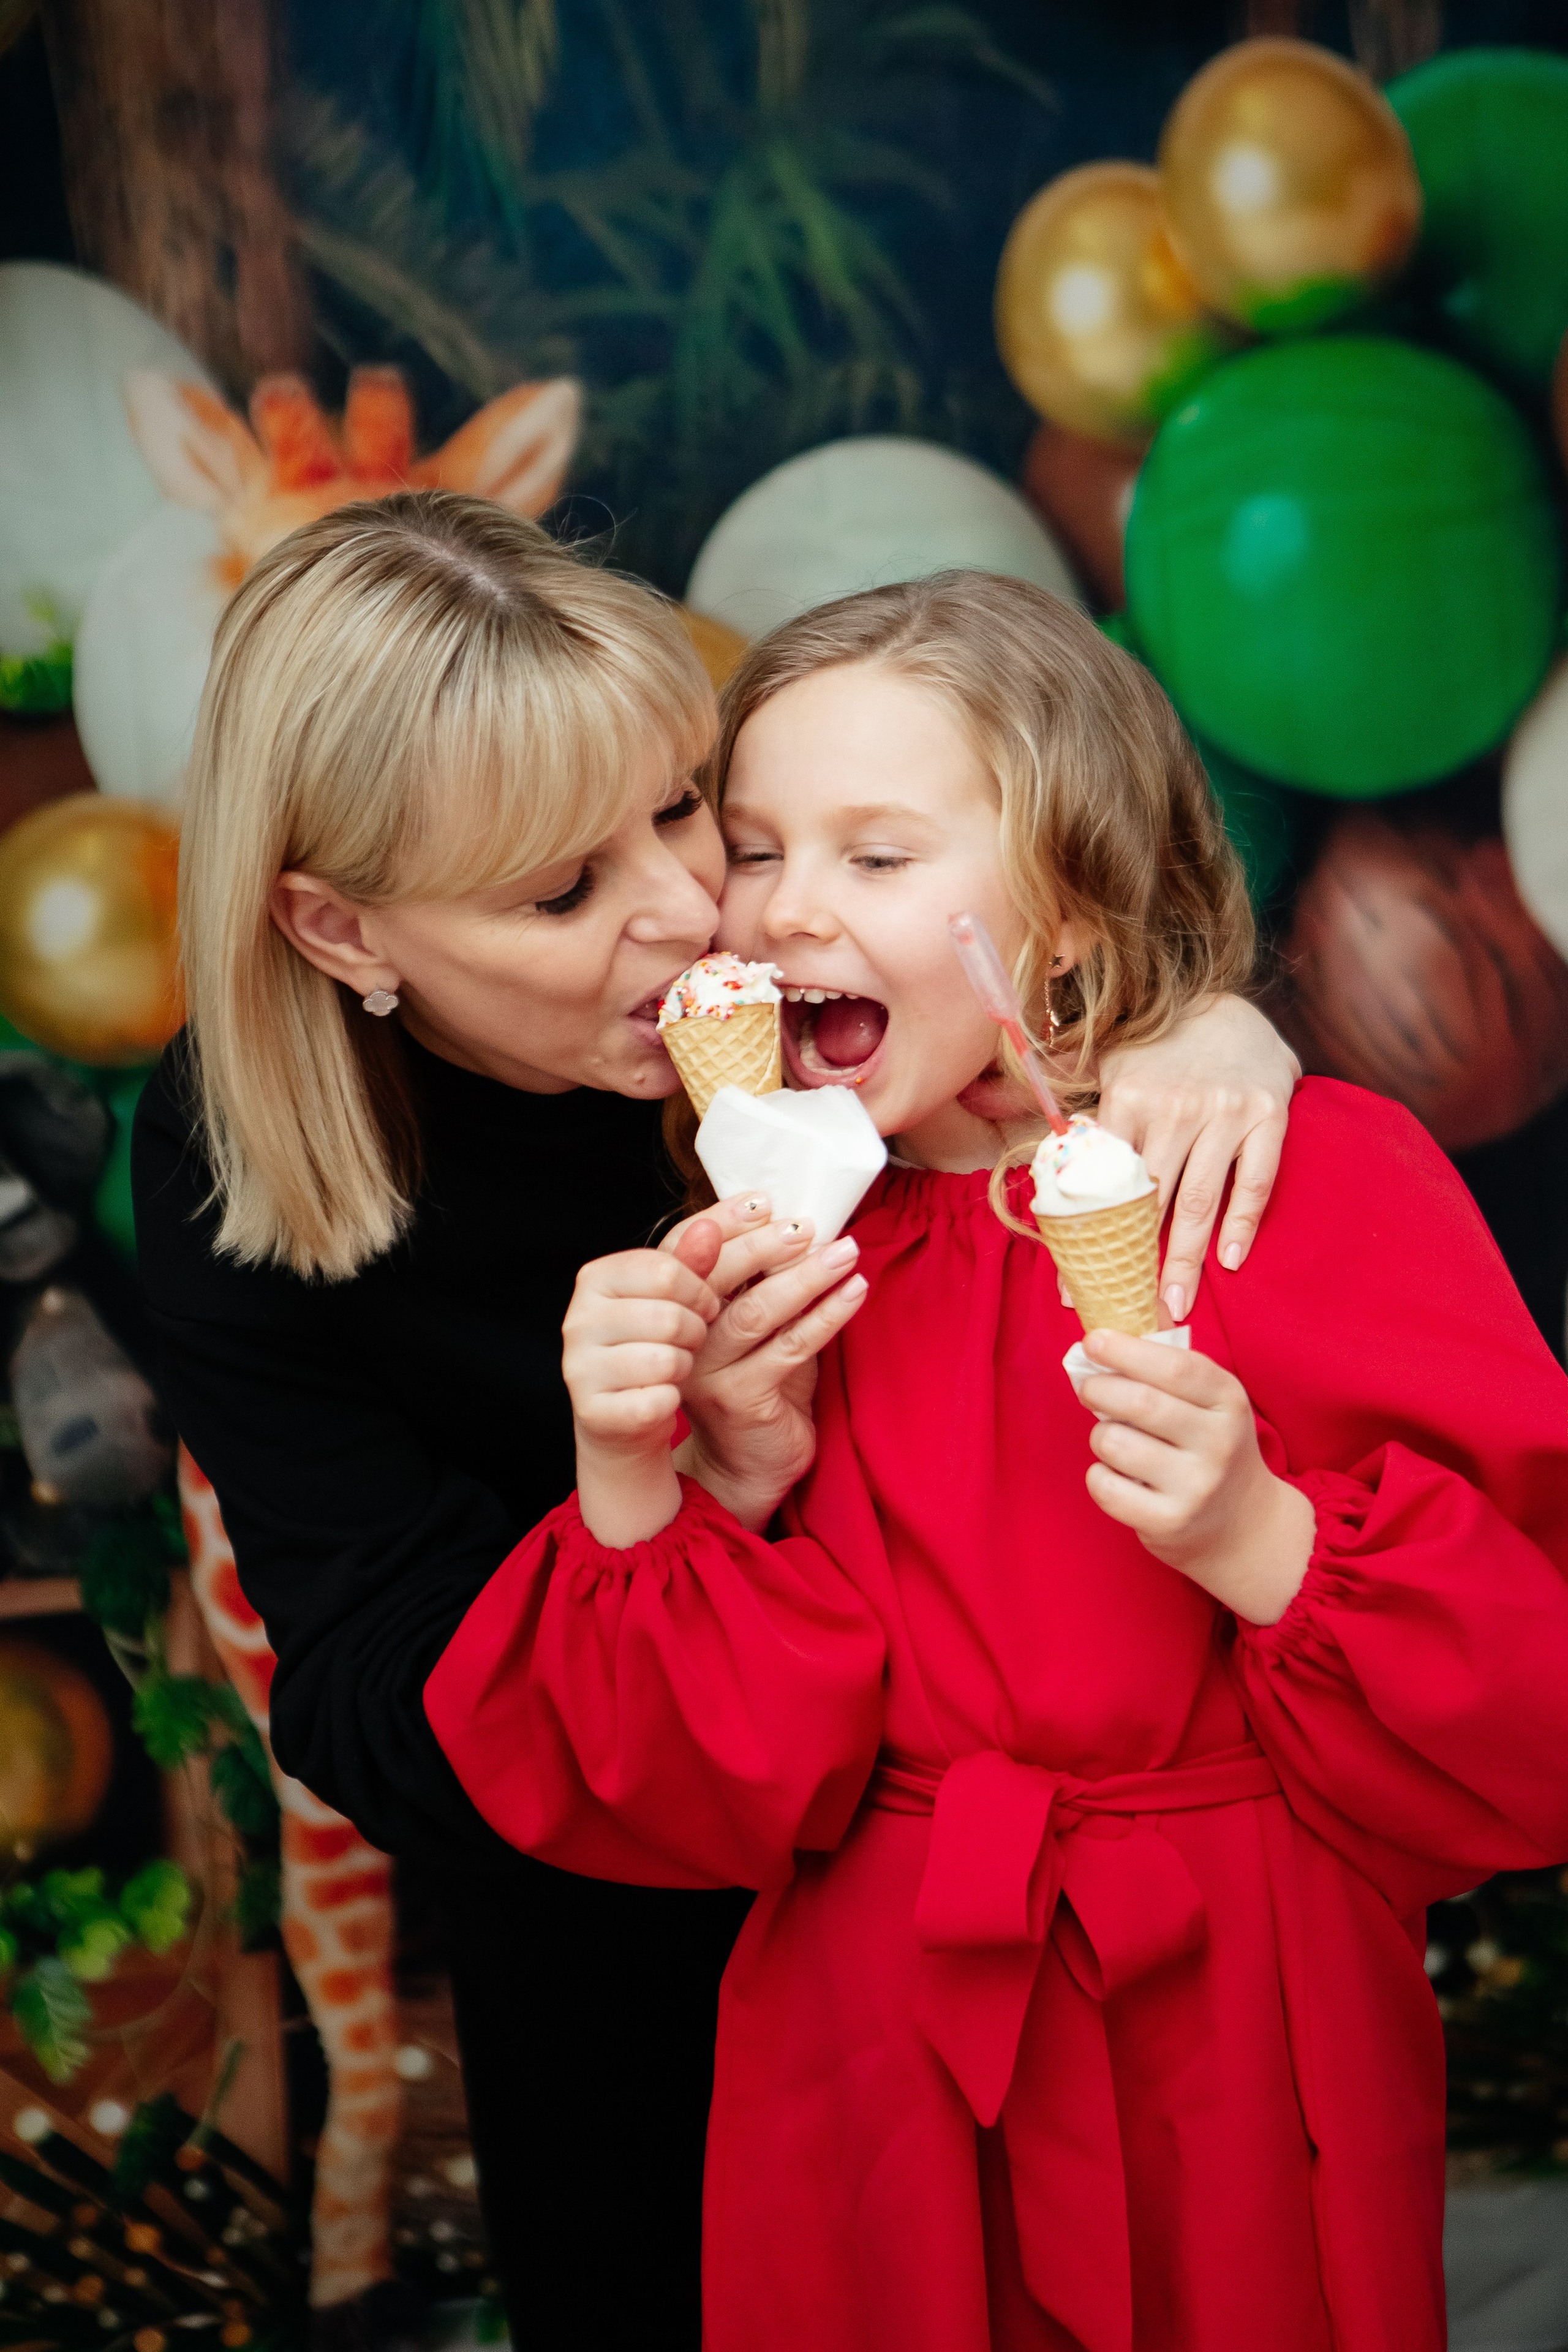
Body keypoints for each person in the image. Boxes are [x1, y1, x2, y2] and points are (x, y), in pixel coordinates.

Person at [134, 496, 1301, 2351]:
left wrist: (1204, 1021)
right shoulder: (230, 1168)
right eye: (557, 894)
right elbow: (363, 1694)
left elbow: (1035, 954)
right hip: (622, 1941)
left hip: (993, 1869)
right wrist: (669, 1514)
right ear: (340, 926)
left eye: (684, 808)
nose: (699, 917)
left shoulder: (778, 996)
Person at [426, 572, 1568, 2352]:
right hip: (872, 2041)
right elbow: (671, 1806)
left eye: (879, 858)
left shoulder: (1298, 1184)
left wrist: (1264, 1535)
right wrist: (656, 1477)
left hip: (1246, 2022)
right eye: (756, 847)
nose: (792, 907)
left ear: (1071, 906)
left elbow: (1533, 1722)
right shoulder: (767, 1247)